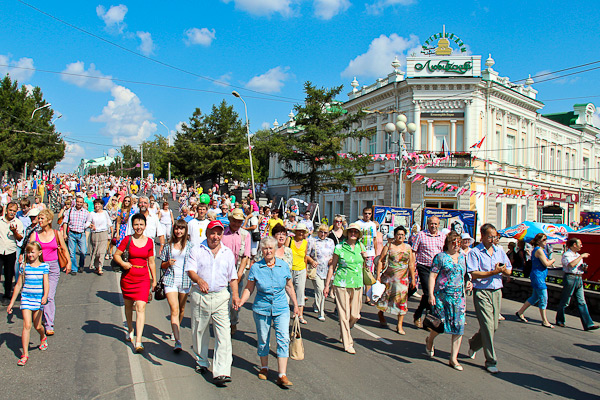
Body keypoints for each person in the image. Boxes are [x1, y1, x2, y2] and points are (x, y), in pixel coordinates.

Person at [237, 236, 299, 387]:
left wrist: (296, 305)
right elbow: (249, 288)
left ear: (275, 249)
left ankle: (282, 374)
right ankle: (264, 368)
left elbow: (289, 286)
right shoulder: (256, 268)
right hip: (262, 307)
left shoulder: (283, 266)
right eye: (265, 248)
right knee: (263, 339)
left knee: (283, 338)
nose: (268, 251)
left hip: (281, 307)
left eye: (271, 248)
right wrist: (241, 301)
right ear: (262, 250)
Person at [185, 220, 239, 385]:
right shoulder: (197, 250)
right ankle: (201, 361)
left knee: (223, 335)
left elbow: (233, 277)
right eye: (212, 233)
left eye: (218, 233)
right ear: (207, 233)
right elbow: (190, 270)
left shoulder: (227, 253)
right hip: (201, 296)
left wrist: (235, 295)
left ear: (222, 235)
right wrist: (199, 280)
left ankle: (221, 371)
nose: (215, 237)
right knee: (199, 330)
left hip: (221, 297)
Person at [466, 223, 512, 374]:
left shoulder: (499, 251)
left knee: (494, 327)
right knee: (487, 325)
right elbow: (474, 273)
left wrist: (503, 270)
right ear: (483, 236)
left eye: (495, 236)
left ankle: (474, 343)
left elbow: (509, 270)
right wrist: (493, 272)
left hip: (497, 291)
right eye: (490, 236)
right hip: (482, 291)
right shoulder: (475, 252)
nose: (493, 239)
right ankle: (491, 360)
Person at [426, 231, 472, 371]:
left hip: (458, 298)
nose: (456, 245)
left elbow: (464, 274)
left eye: (458, 242)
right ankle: (430, 340)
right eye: (453, 242)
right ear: (447, 243)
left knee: (458, 327)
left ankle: (453, 358)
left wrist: (468, 282)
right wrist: (430, 294)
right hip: (442, 296)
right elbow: (433, 276)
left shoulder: (463, 257)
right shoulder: (440, 257)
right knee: (440, 325)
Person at [114, 213, 157, 353]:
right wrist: (123, 263)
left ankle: (138, 340)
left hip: (143, 277)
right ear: (132, 226)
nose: (139, 227)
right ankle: (130, 329)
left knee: (140, 307)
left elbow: (151, 262)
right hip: (128, 277)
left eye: (141, 224)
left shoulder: (149, 242)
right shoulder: (127, 240)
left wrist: (154, 280)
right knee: (128, 306)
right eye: (136, 224)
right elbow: (116, 255)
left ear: (145, 226)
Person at [324, 223, 366, 354]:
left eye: (356, 231)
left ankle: (345, 330)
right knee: (344, 314)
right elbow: (332, 267)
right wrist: (327, 285)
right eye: (351, 231)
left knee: (355, 315)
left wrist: (366, 258)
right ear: (347, 233)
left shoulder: (361, 246)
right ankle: (348, 343)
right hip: (342, 283)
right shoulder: (339, 247)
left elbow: (365, 265)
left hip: (358, 284)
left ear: (359, 234)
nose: (353, 233)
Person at [7, 241, 49, 366]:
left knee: (38, 326)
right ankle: (25, 354)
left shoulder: (44, 267)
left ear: (39, 253)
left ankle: (43, 336)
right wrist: (11, 303)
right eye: (28, 252)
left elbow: (46, 284)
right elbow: (19, 284)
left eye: (32, 252)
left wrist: (45, 296)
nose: (30, 255)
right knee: (27, 325)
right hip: (26, 298)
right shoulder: (24, 266)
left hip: (38, 299)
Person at [29, 209, 70, 336]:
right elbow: (29, 251)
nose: (39, 221)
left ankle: (49, 324)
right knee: (40, 294)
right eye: (39, 218)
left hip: (52, 268)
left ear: (49, 220)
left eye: (42, 218)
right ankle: (39, 316)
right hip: (38, 267)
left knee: (49, 296)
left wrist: (68, 262)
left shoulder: (56, 234)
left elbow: (64, 248)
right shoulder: (35, 235)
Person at [159, 219, 193, 352]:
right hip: (170, 280)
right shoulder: (168, 246)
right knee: (175, 309)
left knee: (182, 309)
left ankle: (175, 327)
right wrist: (168, 263)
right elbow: (162, 265)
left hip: (184, 280)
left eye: (181, 229)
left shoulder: (190, 246)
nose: (179, 231)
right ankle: (178, 341)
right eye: (177, 228)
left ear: (185, 231)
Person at [376, 226, 416, 335]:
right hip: (389, 278)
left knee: (402, 302)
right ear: (394, 235)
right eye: (399, 234)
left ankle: (399, 325)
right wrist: (378, 275)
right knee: (385, 299)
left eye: (402, 235)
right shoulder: (389, 246)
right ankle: (381, 313)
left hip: (403, 280)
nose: (400, 236)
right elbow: (380, 260)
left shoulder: (408, 248)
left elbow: (411, 264)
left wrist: (413, 279)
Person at [555, 238, 599, 330]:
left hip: (579, 278)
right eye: (580, 244)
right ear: (574, 245)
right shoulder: (567, 255)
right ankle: (560, 320)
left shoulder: (578, 255)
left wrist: (584, 268)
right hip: (570, 278)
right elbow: (571, 265)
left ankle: (588, 324)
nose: (581, 246)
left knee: (582, 302)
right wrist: (581, 257)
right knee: (565, 301)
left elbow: (578, 267)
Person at [515, 233, 556, 328]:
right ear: (539, 241)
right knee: (543, 298)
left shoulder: (540, 250)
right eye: (544, 240)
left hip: (539, 276)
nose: (546, 242)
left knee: (535, 297)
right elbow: (546, 263)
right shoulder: (538, 250)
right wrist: (552, 260)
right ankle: (545, 321)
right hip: (538, 277)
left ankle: (520, 312)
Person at [411, 216, 446, 328]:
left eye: (435, 224)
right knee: (427, 292)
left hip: (438, 268)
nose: (433, 226)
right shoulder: (421, 235)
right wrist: (412, 266)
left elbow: (445, 252)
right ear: (428, 224)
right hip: (424, 267)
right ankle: (430, 320)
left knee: (433, 293)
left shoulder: (443, 236)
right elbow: (414, 251)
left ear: (439, 225)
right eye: (431, 223)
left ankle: (419, 313)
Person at [222, 208, 251, 334]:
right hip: (222, 270)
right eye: (234, 221)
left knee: (235, 300)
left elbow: (246, 256)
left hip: (237, 269)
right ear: (230, 220)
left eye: (239, 222)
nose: (236, 224)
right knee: (222, 299)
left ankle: (233, 321)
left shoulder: (245, 235)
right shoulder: (222, 232)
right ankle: (223, 323)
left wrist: (239, 273)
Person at [307, 224, 335, 321]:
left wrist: (333, 260)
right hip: (317, 270)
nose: (323, 234)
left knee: (322, 291)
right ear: (318, 231)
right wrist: (312, 261)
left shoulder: (331, 242)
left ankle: (316, 304)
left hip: (328, 270)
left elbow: (334, 255)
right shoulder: (312, 241)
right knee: (320, 290)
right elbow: (306, 255)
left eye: (325, 232)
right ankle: (321, 312)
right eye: (321, 232)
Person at [0, 201, 24, 304]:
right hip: (0, 250)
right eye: (10, 210)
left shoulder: (18, 222)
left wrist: (14, 231)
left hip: (10, 251)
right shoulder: (0, 221)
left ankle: (7, 295)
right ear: (6, 210)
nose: (12, 213)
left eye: (14, 211)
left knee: (8, 274)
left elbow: (20, 238)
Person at [355, 207, 379, 305]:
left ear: (371, 214)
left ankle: (368, 297)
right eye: (365, 213)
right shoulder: (358, 224)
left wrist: (376, 252)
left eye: (369, 213)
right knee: (359, 273)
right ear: (362, 213)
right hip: (359, 252)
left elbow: (374, 239)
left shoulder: (373, 225)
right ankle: (358, 296)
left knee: (368, 274)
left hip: (370, 253)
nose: (367, 215)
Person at [61, 195, 90, 275]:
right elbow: (65, 222)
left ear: (83, 203)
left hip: (81, 234)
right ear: (75, 202)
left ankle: (81, 265)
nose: (79, 204)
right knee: (72, 253)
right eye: (78, 202)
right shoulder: (70, 211)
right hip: (72, 234)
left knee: (83, 251)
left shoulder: (86, 212)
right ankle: (74, 268)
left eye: (81, 202)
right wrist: (64, 234)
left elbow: (88, 223)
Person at [86, 199, 113, 275]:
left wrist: (112, 231)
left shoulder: (105, 213)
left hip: (103, 233)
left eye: (99, 204)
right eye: (96, 204)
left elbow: (109, 222)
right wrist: (90, 225)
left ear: (102, 205)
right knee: (95, 251)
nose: (97, 206)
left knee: (101, 251)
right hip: (95, 234)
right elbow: (87, 223)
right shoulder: (92, 214)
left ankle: (100, 266)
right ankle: (96, 265)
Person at [290, 223, 309, 324]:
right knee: (287, 292)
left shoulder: (305, 243)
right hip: (289, 269)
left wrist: (305, 270)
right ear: (296, 232)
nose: (301, 233)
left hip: (301, 269)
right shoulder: (290, 240)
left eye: (303, 231)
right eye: (299, 231)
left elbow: (305, 257)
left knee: (300, 292)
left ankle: (300, 314)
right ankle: (283, 313)